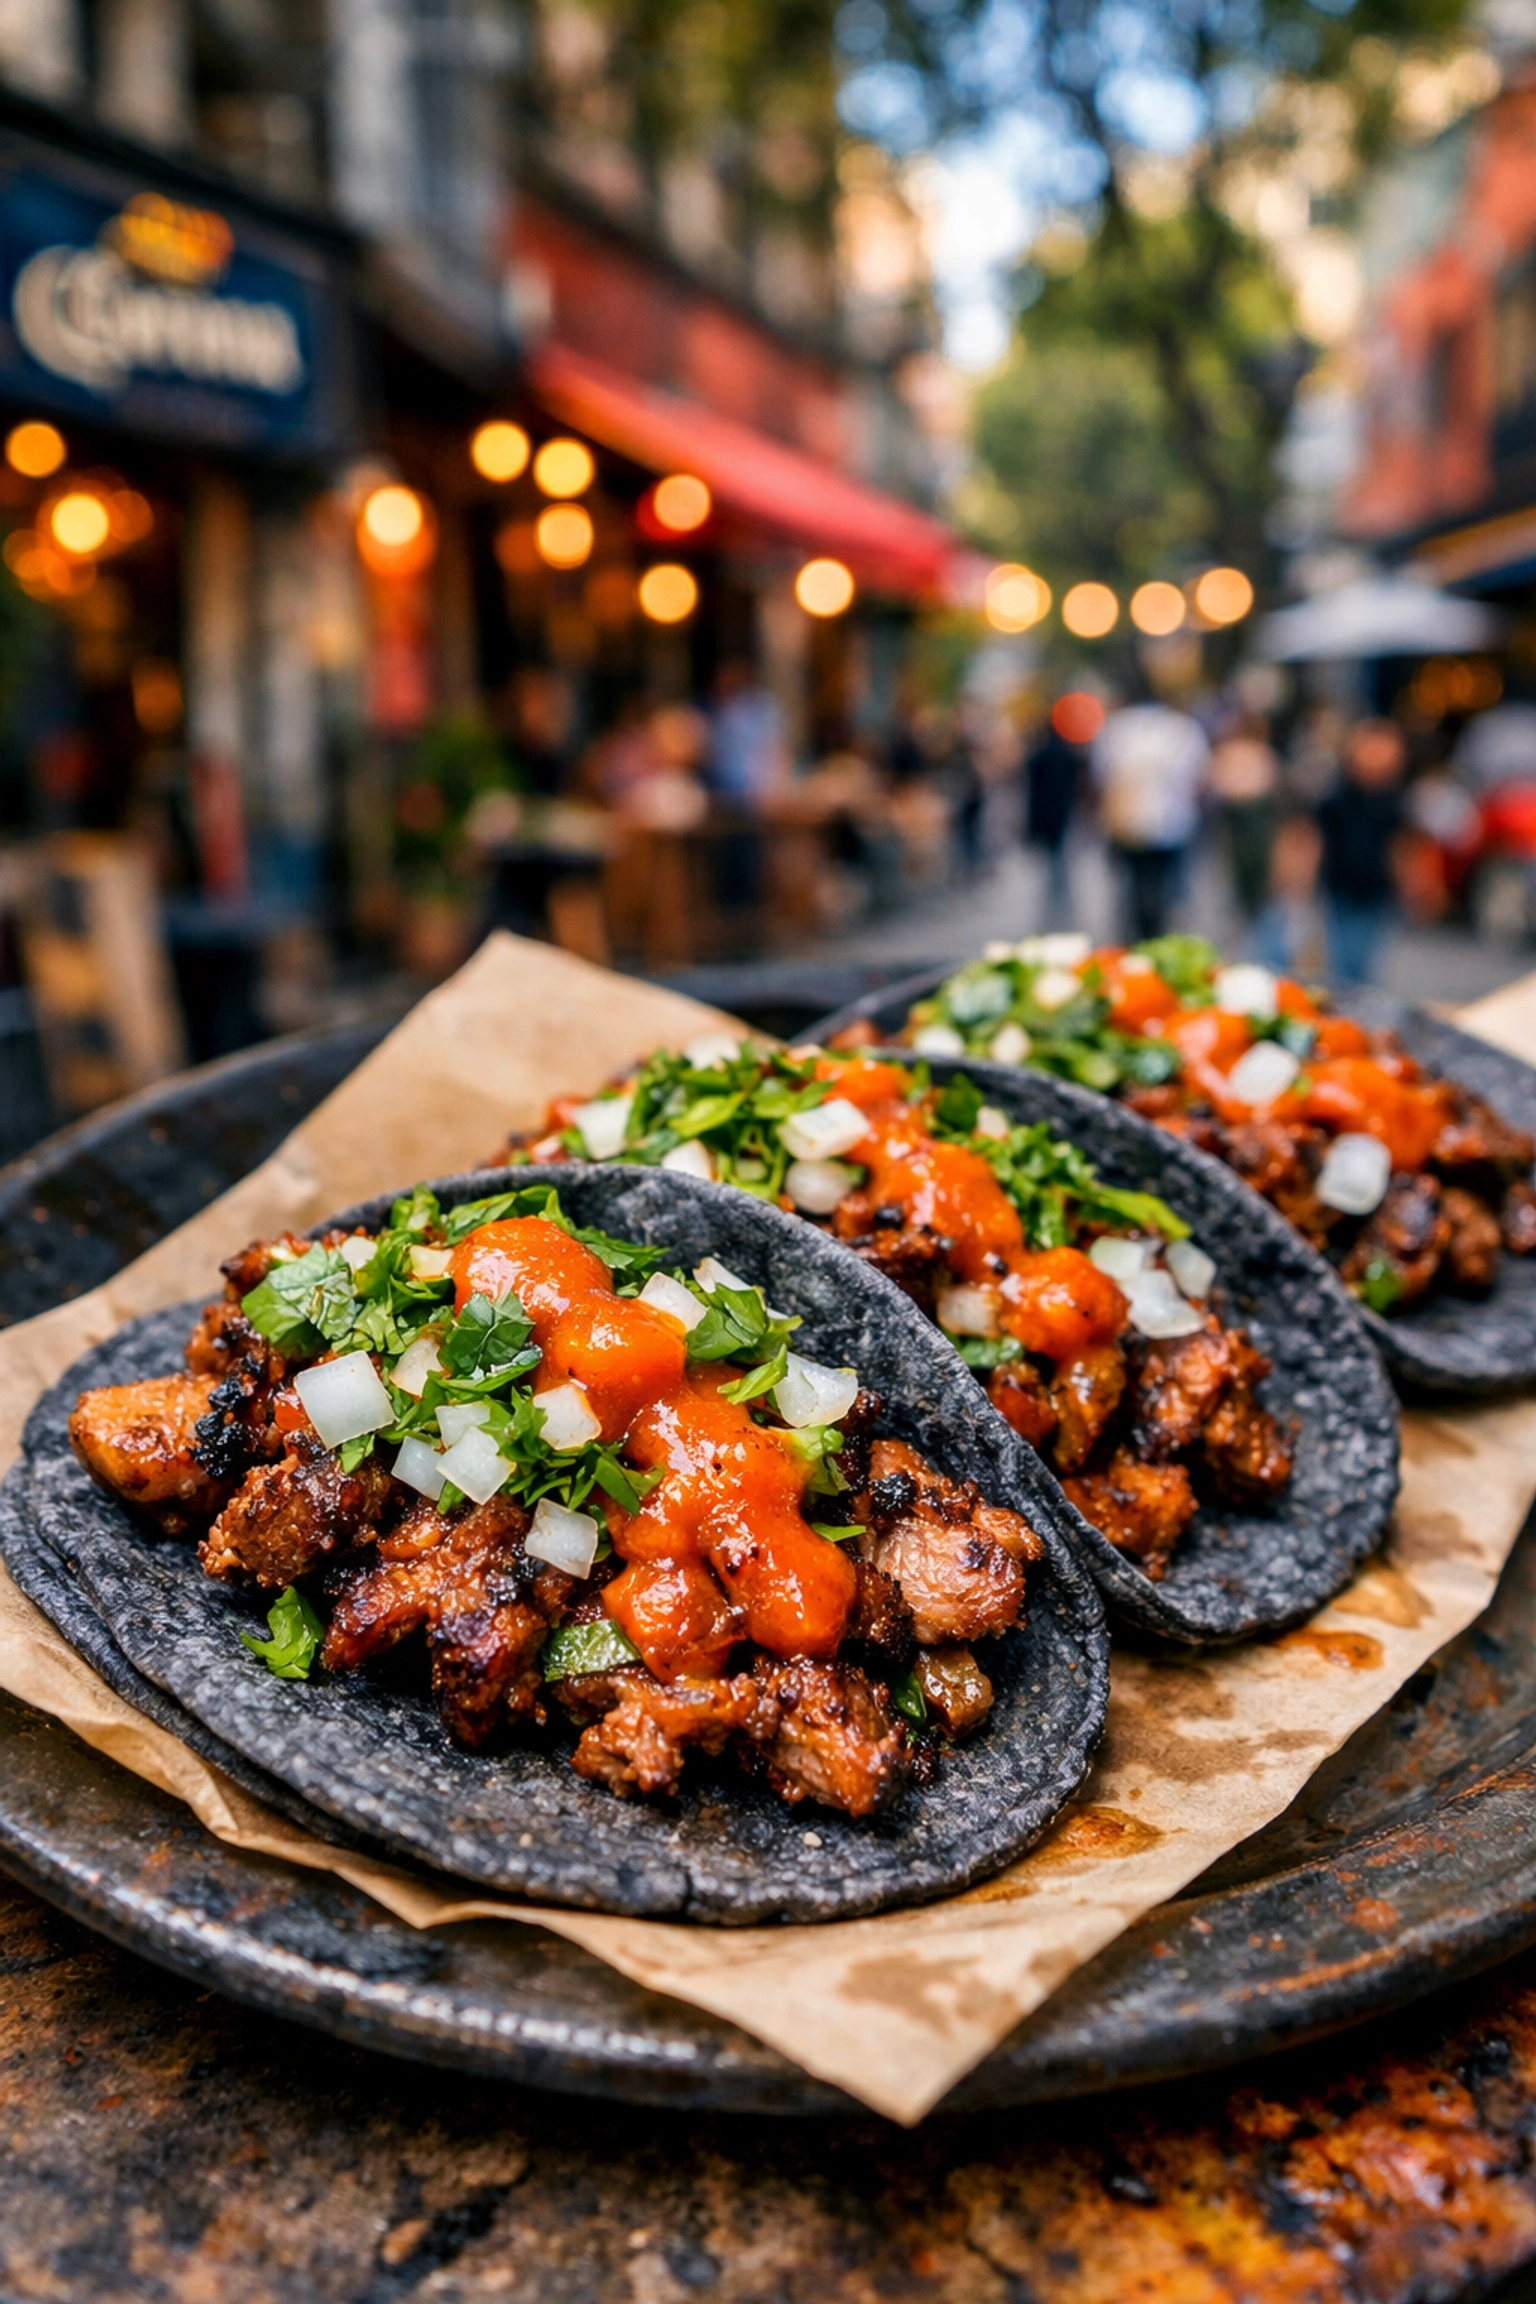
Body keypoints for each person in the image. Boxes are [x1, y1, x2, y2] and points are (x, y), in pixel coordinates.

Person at [1089, 701, 1209, 943]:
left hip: (1143, 823)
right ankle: (1152, 933)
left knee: (1138, 886)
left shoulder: (1117, 729)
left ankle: (1144, 934)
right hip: (1165, 824)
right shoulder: (1183, 729)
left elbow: (1101, 776)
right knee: (1156, 886)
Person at [1316, 718, 1408, 986]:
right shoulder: (1337, 797)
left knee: (1368, 959)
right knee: (1340, 959)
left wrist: (1412, 885)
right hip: (1340, 886)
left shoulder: (1395, 801)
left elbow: (1403, 847)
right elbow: (1315, 838)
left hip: (1378, 890)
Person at [1207, 709, 1280, 924]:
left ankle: (1251, 903)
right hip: (1237, 813)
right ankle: (1248, 903)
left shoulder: (1257, 751)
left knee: (1250, 861)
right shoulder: (1238, 751)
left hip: (1252, 813)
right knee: (1243, 861)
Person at [1024, 707, 1086, 922]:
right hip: (1064, 812)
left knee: (1053, 859)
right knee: (1062, 858)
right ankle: (1061, 897)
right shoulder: (1068, 756)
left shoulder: (1038, 756)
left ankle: (1055, 897)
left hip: (1045, 813)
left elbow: (1031, 790)